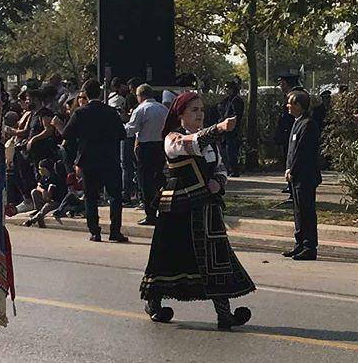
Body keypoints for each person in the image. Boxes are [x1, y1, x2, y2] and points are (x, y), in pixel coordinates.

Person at [140, 90, 253, 329]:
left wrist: (219, 182)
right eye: (194, 110)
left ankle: (224, 315)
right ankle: (154, 304)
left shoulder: (209, 143)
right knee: (166, 256)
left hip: (206, 207)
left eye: (201, 109)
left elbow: (220, 168)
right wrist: (219, 128)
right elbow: (190, 144)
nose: (199, 114)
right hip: (177, 209)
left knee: (214, 258)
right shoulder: (172, 138)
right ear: (180, 115)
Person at [63, 80, 128, 243]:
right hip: (110, 159)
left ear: (86, 93)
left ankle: (95, 231)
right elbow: (122, 134)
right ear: (99, 93)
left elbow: (66, 134)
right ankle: (115, 231)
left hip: (88, 160)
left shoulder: (80, 113)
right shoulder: (111, 112)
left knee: (91, 197)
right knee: (115, 196)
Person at [283, 90, 322, 261]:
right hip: (295, 176)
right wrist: (287, 169)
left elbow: (302, 152)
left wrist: (293, 169)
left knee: (306, 211)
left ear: (299, 105)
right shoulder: (296, 123)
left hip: (305, 176)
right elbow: (291, 151)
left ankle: (309, 246)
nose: (288, 106)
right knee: (298, 212)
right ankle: (299, 243)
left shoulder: (308, 124)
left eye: (291, 103)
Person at [128, 84, 172, 225]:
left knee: (145, 182)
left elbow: (131, 129)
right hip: (160, 146)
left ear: (140, 95)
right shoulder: (163, 108)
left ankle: (150, 214)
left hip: (145, 147)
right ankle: (164, 209)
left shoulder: (141, 109)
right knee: (159, 179)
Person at [218, 79, 246, 175]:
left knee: (231, 150)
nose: (226, 90)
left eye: (228, 88)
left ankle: (234, 169)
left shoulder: (236, 100)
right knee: (226, 150)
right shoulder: (227, 100)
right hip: (226, 130)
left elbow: (236, 114)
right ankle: (229, 169)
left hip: (233, 130)